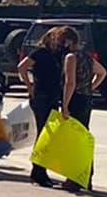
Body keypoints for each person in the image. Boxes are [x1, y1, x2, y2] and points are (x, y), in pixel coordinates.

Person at [18, 25, 70, 188]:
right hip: (41, 95)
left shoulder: (58, 55)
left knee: (49, 135)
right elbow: (22, 67)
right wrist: (29, 85)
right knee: (43, 133)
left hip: (53, 96)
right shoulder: (40, 52)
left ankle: (40, 170)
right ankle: (38, 172)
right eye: (57, 39)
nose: (60, 43)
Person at [60, 27, 107, 193]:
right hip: (86, 98)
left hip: (76, 99)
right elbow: (102, 73)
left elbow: (70, 82)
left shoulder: (71, 57)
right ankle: (86, 176)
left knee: (73, 139)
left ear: (69, 41)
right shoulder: (87, 57)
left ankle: (74, 177)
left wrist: (65, 105)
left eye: (63, 41)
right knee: (83, 135)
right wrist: (90, 87)